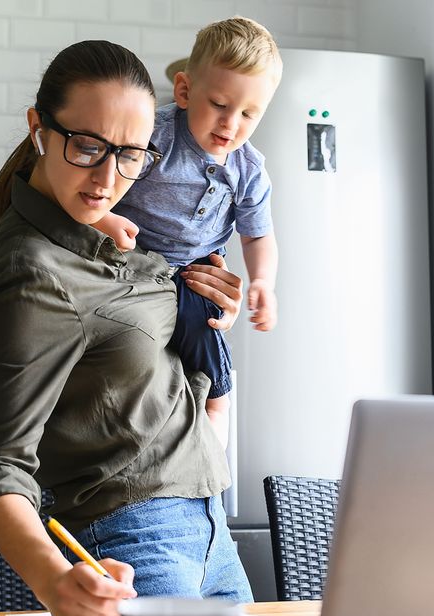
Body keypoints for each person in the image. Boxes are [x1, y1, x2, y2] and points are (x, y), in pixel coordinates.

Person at [0, 40, 254, 616]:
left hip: (212, 531)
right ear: (39, 129)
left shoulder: (116, 233)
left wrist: (210, 304)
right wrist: (52, 580)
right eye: (87, 146)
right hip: (135, 540)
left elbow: (146, 363)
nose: (107, 177)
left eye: (131, 155)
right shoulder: (34, 271)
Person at [92, 17, 282, 444]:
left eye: (249, 114)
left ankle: (213, 444)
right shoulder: (153, 134)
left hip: (195, 271)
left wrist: (263, 283)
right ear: (184, 90)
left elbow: (257, 235)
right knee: (132, 351)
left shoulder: (249, 169)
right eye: (219, 104)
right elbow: (98, 188)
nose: (231, 124)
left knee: (209, 354)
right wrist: (107, 220)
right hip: (128, 256)